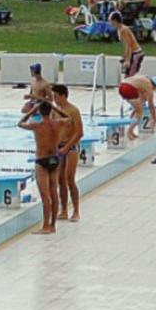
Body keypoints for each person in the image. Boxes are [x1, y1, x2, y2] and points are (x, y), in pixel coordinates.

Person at [17, 99, 65, 235]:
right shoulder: (57, 123)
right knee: (54, 194)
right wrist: (54, 109)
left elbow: (20, 123)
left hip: (41, 161)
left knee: (45, 197)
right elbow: (67, 118)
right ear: (50, 111)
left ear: (39, 111)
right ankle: (53, 225)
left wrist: (32, 110)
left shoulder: (36, 125)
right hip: (54, 160)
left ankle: (45, 226)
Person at [51, 83, 84, 222]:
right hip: (59, 147)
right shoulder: (55, 110)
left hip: (71, 147)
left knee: (70, 179)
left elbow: (79, 133)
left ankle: (76, 211)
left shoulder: (73, 110)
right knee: (60, 180)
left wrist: (67, 146)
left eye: (56, 96)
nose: (54, 99)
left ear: (63, 96)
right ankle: (63, 210)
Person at [117, 74, 156, 140]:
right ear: (155, 86)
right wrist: (155, 120)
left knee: (137, 109)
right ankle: (129, 131)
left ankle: (130, 130)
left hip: (121, 86)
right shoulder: (149, 86)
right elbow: (151, 106)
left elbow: (141, 101)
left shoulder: (143, 79)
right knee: (139, 112)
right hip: (129, 88)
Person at [113, 12, 144, 77]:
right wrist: (125, 56)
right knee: (127, 76)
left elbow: (129, 45)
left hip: (136, 53)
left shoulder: (123, 29)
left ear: (115, 21)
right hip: (133, 53)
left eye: (111, 21)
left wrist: (127, 60)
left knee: (130, 76)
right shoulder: (119, 29)